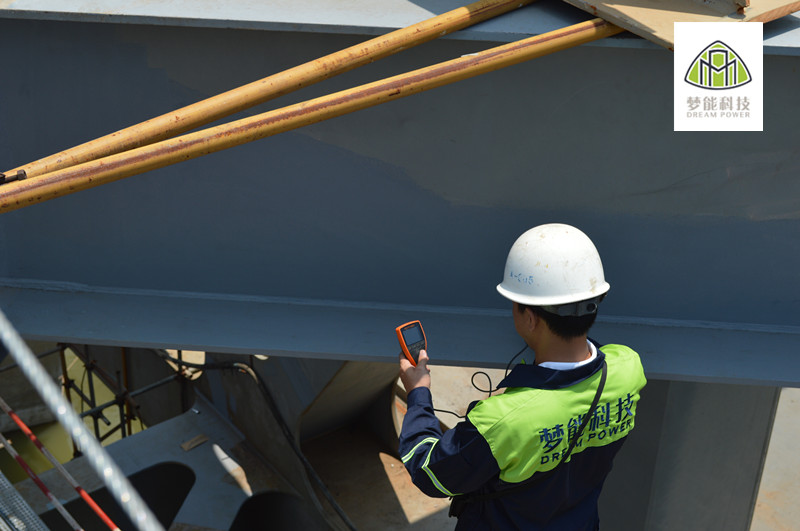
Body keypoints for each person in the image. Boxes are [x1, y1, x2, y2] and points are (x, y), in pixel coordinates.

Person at [398, 223, 646, 530]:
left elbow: (427, 470)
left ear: (530, 318)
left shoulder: (503, 422)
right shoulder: (628, 367)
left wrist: (418, 393)